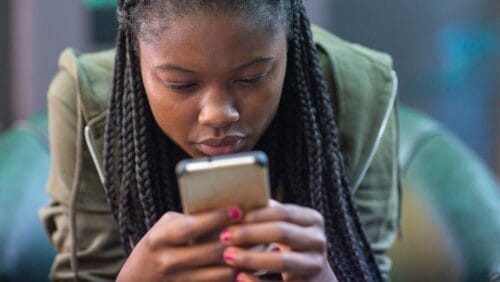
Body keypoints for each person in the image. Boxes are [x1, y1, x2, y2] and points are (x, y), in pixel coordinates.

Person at [41, 0, 400, 281]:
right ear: (135, 55)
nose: (218, 114)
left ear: (290, 42)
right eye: (181, 84)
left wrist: (324, 277)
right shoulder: (86, 102)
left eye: (252, 77)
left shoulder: (363, 91)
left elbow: (367, 265)